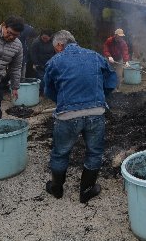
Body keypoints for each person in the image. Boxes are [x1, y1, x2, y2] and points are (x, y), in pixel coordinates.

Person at [43, 30, 117, 203]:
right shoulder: (96, 56)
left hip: (67, 114)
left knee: (60, 153)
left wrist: (62, 101)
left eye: (56, 48)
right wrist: (99, 98)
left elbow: (48, 90)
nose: (56, 51)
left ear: (60, 45)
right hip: (96, 113)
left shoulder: (55, 61)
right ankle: (86, 191)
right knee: (94, 152)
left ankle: (56, 189)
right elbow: (111, 81)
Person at [29, 29, 56, 94]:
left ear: (50, 37)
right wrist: (37, 64)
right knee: (43, 79)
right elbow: (33, 54)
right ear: (41, 36)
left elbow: (56, 52)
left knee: (53, 78)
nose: (45, 39)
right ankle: (43, 92)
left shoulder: (54, 42)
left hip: (51, 64)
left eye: (47, 38)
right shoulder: (36, 43)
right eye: (43, 38)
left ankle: (52, 92)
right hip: (40, 65)